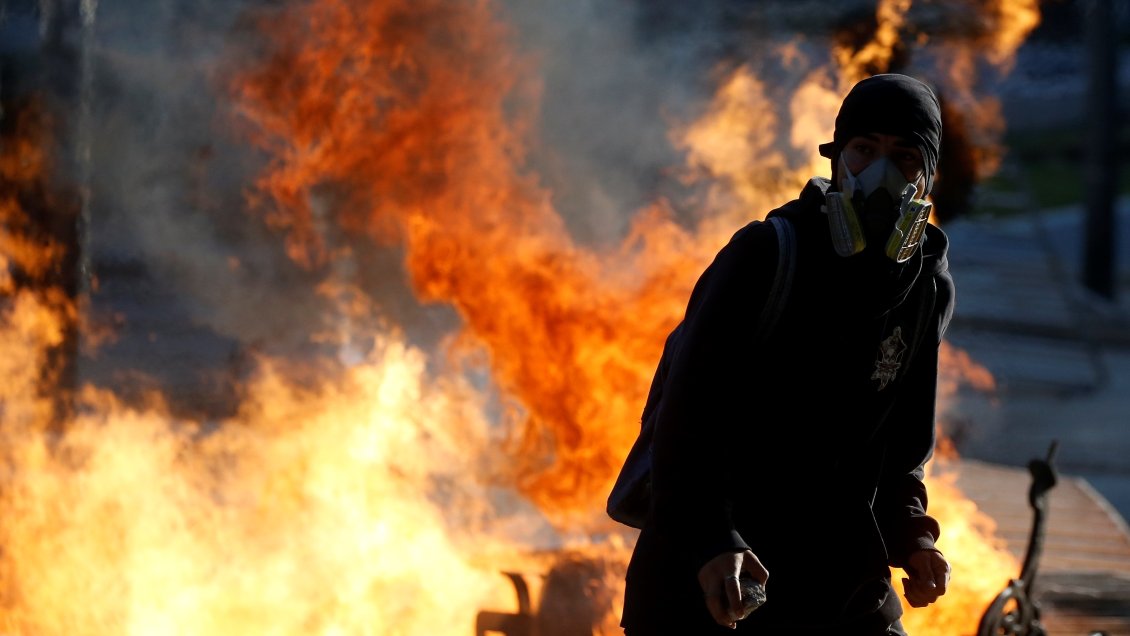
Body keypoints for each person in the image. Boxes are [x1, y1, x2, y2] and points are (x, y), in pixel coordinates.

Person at [618, 73, 955, 635]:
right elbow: (685, 421)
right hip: (717, 575)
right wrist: (711, 540)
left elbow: (902, 450)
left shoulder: (925, 289)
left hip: (836, 577)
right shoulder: (767, 256)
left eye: (904, 156)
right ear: (836, 158)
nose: (881, 173)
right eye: (864, 149)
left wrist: (915, 539)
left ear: (928, 175)